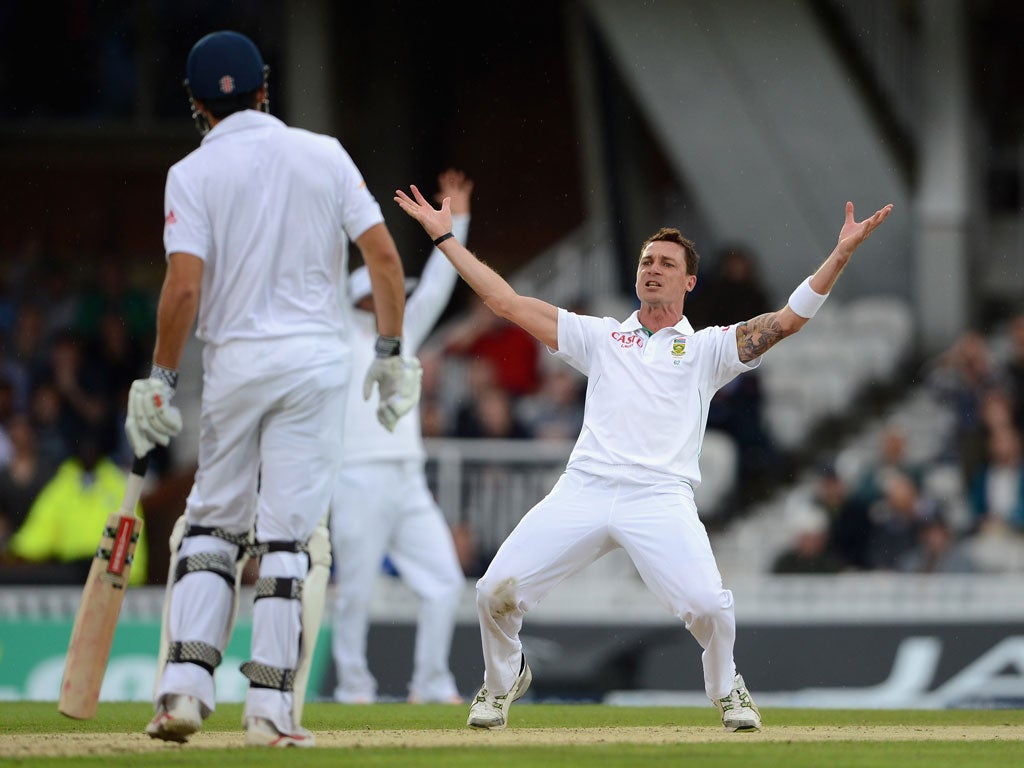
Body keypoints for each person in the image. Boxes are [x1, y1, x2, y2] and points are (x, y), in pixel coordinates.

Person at [396, 181, 893, 731]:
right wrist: (445, 238)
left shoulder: (707, 349)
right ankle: (500, 682)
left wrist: (839, 255)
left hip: (660, 497)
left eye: (665, 263)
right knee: (494, 592)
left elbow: (786, 321)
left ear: (689, 281)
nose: (652, 269)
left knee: (707, 607)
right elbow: (506, 302)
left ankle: (728, 689)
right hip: (585, 488)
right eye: (645, 261)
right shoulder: (602, 337)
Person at [125, 31, 419, 748]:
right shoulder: (324, 153)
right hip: (317, 366)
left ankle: (183, 694)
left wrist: (160, 378)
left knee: (212, 525)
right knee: (288, 537)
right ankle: (270, 712)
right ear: (264, 89)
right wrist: (388, 351)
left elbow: (184, 286)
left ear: (196, 105)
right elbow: (382, 257)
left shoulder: (191, 174)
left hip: (237, 366)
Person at [330, 169, 472, 705]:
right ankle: (352, 688)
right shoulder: (338, 336)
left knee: (443, 582)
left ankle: (430, 682)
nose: (393, 299)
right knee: (356, 593)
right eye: (382, 293)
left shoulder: (404, 331)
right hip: (357, 476)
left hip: (407, 476)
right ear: (360, 298)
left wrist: (459, 221)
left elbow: (438, 285)